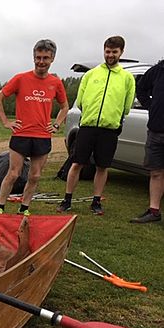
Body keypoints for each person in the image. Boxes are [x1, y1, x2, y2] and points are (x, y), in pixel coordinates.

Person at [57, 36, 136, 215]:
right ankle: (67, 199)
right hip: (88, 126)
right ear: (104, 51)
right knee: (77, 163)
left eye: (114, 52)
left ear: (121, 52)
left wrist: (115, 118)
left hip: (109, 129)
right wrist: (89, 116)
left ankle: (96, 201)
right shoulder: (91, 74)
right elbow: (82, 100)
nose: (110, 55)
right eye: (107, 51)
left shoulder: (127, 78)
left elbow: (127, 105)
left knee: (102, 166)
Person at [0, 39, 69, 216]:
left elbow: (65, 107)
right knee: (13, 174)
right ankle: (0, 207)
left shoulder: (56, 82)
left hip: (42, 136)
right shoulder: (21, 78)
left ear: (52, 59)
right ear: (33, 57)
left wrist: (56, 124)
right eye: (38, 57)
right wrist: (6, 122)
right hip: (21, 134)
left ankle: (24, 208)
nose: (41, 61)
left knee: (34, 176)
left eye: (45, 58)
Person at [130, 60, 164, 223]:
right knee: (156, 172)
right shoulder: (158, 70)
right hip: (156, 131)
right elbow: (141, 88)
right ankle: (154, 211)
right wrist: (152, 106)